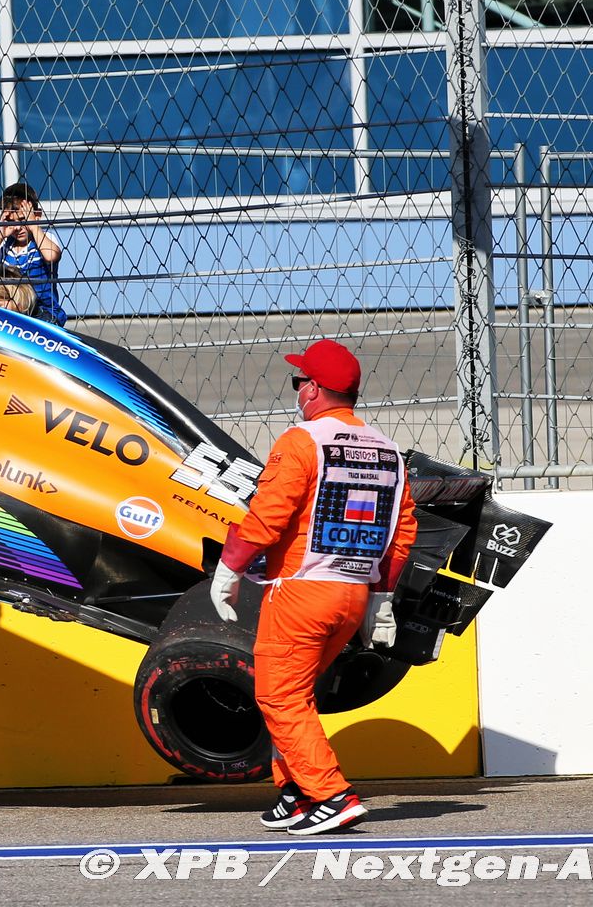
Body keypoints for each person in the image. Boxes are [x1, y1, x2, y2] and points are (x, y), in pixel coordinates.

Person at [210, 339, 415, 836]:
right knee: (294, 696)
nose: (297, 389)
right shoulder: (389, 451)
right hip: (352, 595)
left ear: (314, 390)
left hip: (301, 592)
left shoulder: (301, 441)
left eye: (298, 381)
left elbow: (267, 515)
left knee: (279, 696)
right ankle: (295, 793)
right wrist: (381, 600)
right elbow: (403, 531)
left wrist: (229, 568)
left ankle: (331, 795)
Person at [0, 181, 67, 325]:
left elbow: (51, 256)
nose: (18, 227)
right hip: (14, 311)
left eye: (23, 220)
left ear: (37, 216)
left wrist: (34, 227)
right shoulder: (5, 246)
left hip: (43, 312)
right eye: (12, 222)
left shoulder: (44, 239)